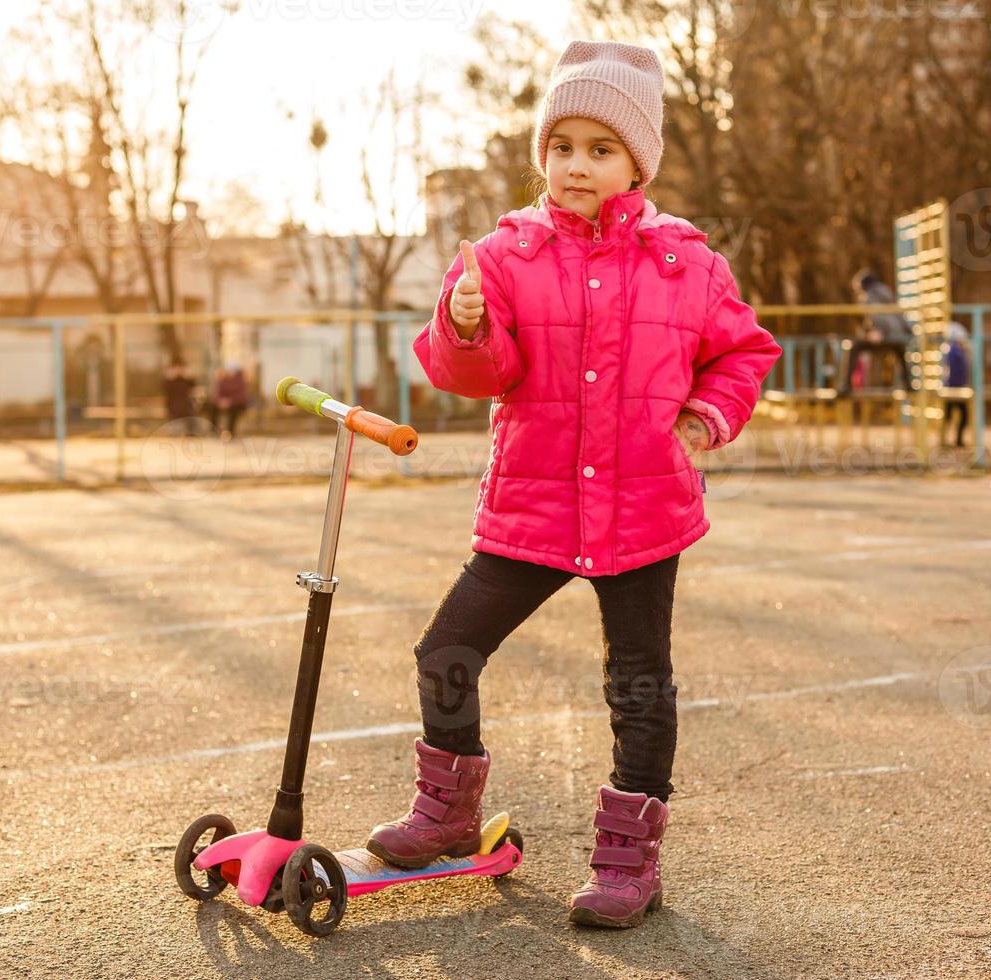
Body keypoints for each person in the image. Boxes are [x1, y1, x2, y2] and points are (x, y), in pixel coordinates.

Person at [368, 40, 781, 930]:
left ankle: (629, 860)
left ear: (638, 161)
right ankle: (448, 812)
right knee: (446, 651)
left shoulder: (687, 263)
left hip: (643, 509)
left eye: (601, 148)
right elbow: (474, 372)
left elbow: (744, 351)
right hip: (536, 504)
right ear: (540, 156)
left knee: (638, 684)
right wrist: (465, 323)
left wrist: (706, 414)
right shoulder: (502, 256)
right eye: (562, 146)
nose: (577, 165)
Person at [837, 268, 911, 396]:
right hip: (897, 337)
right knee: (900, 349)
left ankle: (845, 385)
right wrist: (906, 333)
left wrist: (879, 331)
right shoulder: (888, 293)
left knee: (853, 347)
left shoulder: (868, 296)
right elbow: (901, 317)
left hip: (884, 335)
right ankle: (908, 383)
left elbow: (876, 315)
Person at [941, 321, 970, 448]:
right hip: (955, 388)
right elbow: (960, 370)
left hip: (953, 388)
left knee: (951, 416)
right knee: (956, 416)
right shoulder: (955, 351)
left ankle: (953, 440)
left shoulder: (952, 350)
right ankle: (953, 440)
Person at [207, 360, 248, 438]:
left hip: (236, 404)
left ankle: (230, 432)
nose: (230, 372)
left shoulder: (241, 381)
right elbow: (217, 393)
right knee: (212, 407)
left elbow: (241, 396)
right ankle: (213, 430)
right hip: (223, 403)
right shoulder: (222, 380)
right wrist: (220, 401)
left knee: (234, 410)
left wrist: (230, 402)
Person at [161, 356, 197, 435]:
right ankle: (175, 431)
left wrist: (187, 376)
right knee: (176, 409)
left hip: (185, 403)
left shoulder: (185, 379)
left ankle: (190, 432)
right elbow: (164, 389)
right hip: (173, 403)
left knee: (189, 411)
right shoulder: (169, 379)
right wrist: (170, 377)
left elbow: (193, 385)